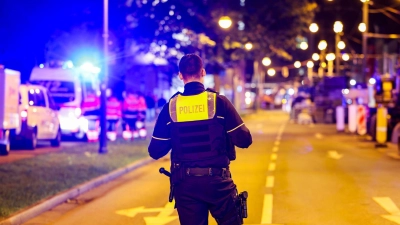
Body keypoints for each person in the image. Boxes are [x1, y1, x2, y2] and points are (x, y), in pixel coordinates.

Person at [148, 54, 252, 225]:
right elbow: (244, 140)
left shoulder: (171, 107)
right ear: (203, 72)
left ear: (180, 75)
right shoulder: (219, 103)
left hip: (185, 184)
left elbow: (155, 151)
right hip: (218, 183)